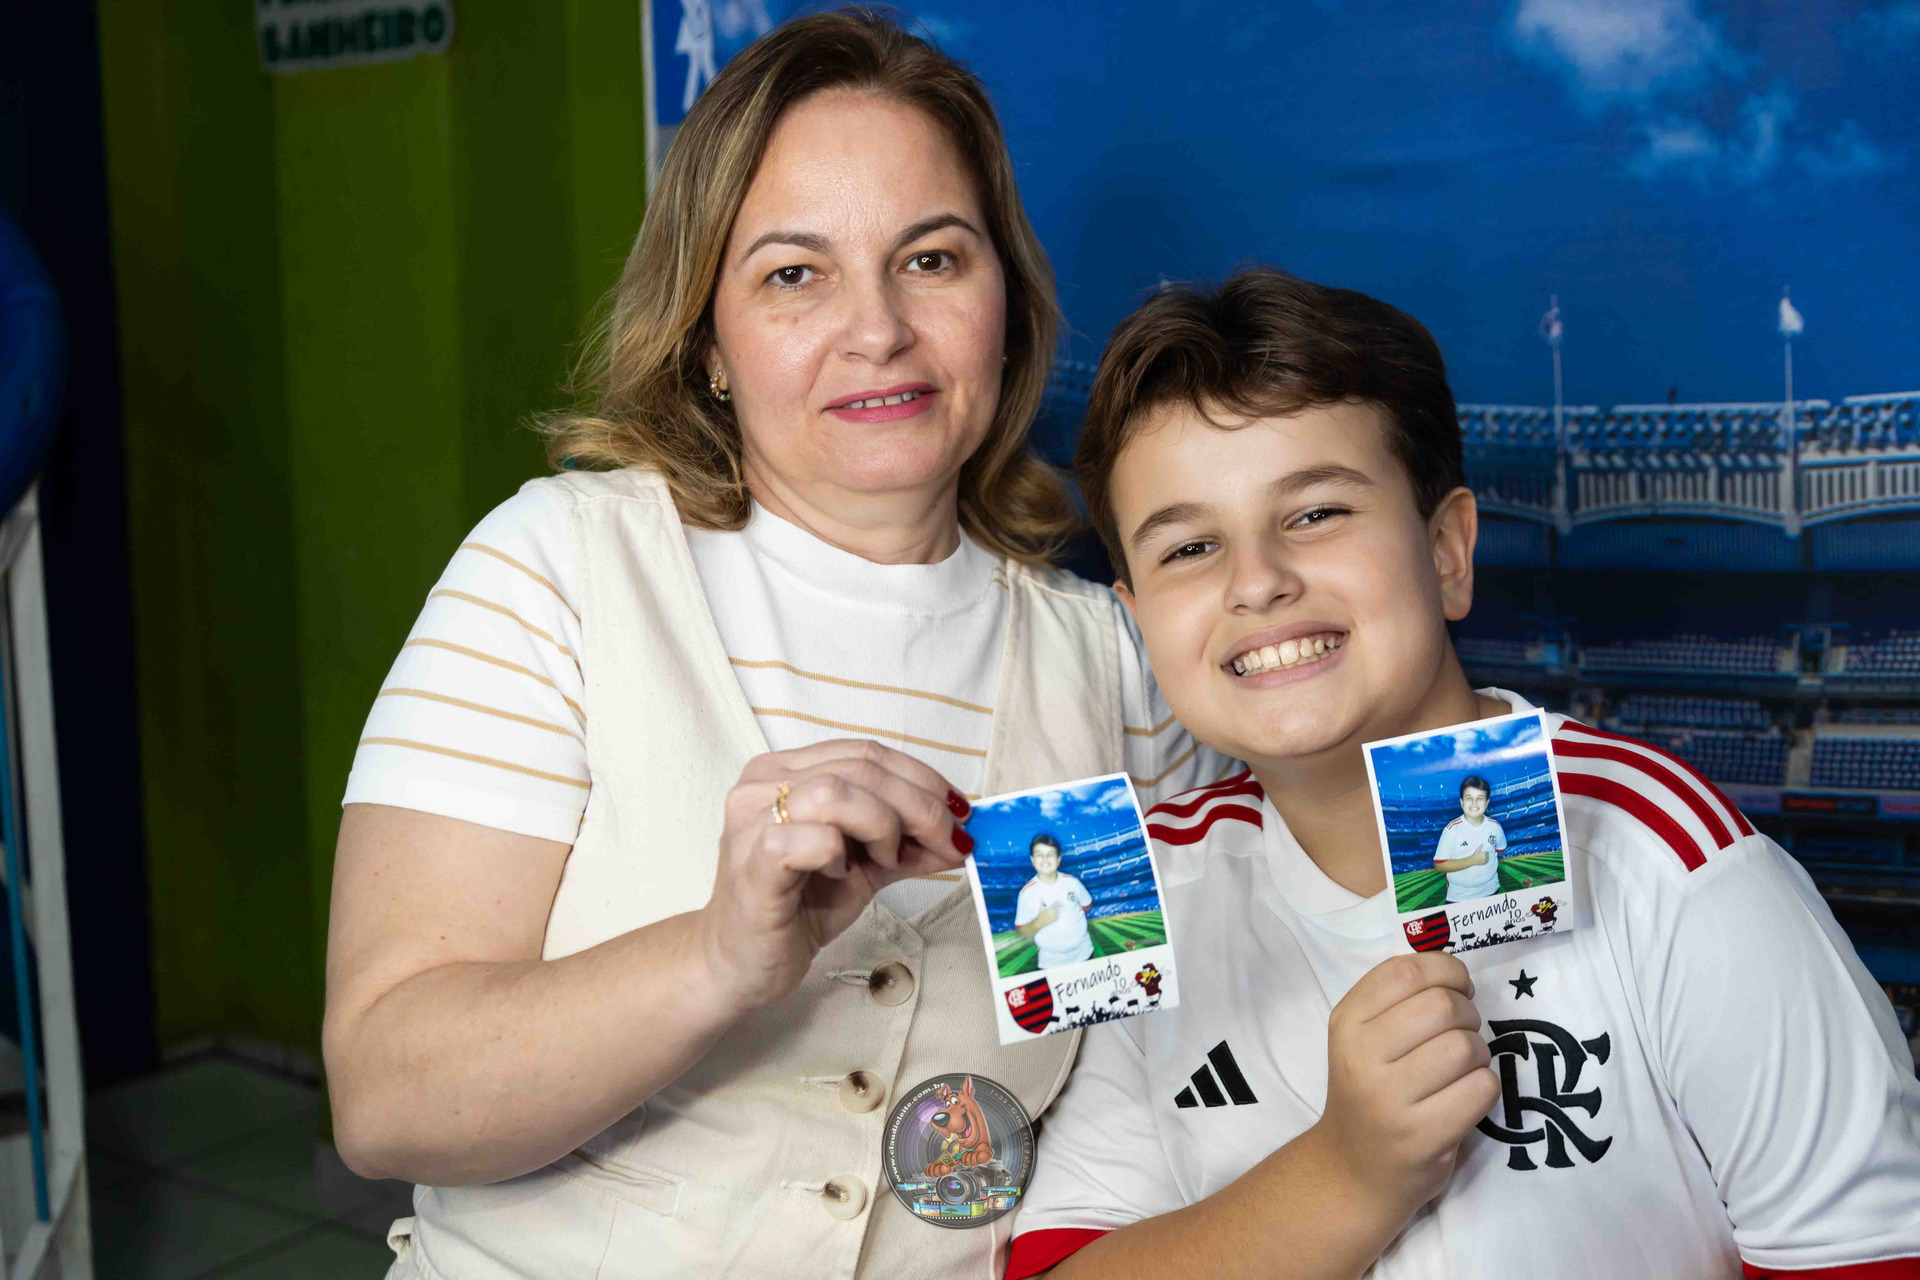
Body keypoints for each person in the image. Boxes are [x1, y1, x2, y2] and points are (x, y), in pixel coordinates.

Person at [320, 14, 1228, 1280]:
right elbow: (384, 1096)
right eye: (795, 274)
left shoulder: (1117, 668)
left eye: (931, 258)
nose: (878, 329)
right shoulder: (558, 572)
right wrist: (713, 956)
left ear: (1008, 308)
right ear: (708, 340)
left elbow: (1150, 1092)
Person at [1007, 270, 1920, 1279]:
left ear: (1446, 551)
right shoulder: (1126, 896)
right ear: (1138, 619)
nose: (1256, 581)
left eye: (1315, 513)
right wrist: (1345, 1176)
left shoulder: (1661, 851)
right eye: (1190, 546)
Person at [1014, 833, 1095, 968]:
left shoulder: (1073, 882)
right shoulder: (1026, 893)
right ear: (1032, 860)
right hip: (1051, 963)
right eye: (1039, 854)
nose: (1045, 859)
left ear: (1058, 859)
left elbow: (1087, 905)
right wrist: (1040, 921)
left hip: (1084, 954)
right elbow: (1022, 932)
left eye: (1050, 854)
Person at [1430, 774, 1504, 903]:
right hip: (1459, 897)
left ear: (1487, 803)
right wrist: (1472, 860)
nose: (1474, 803)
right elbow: (1439, 865)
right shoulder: (1451, 829)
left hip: (1491, 891)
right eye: (1469, 798)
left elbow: (1500, 849)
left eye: (1480, 798)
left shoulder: (1495, 826)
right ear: (1462, 802)